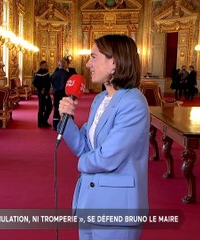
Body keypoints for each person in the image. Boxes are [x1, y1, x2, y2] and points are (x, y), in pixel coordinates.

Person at [59, 34, 149, 240]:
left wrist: (81, 163)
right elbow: (84, 147)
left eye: (94, 56)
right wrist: (66, 120)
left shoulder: (133, 102)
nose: (88, 63)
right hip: (90, 201)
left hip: (116, 206)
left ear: (114, 62)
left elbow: (108, 157)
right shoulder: (100, 99)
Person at [33, 60, 52, 128]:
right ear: (41, 66)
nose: (46, 66)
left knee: (49, 107)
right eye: (45, 65)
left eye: (46, 65)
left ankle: (44, 121)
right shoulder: (38, 73)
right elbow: (34, 83)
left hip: (46, 93)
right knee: (41, 107)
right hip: (41, 93)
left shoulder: (46, 72)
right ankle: (40, 123)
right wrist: (41, 88)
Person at [51, 59, 69, 130]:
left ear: (59, 65)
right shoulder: (66, 74)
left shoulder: (55, 73)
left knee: (56, 109)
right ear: (64, 65)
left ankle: (55, 125)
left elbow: (51, 80)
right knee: (64, 109)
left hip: (56, 93)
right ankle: (63, 125)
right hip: (64, 94)